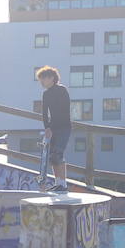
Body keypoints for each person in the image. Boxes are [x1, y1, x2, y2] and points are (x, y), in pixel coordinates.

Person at [36, 66, 71, 194]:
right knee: (52, 157)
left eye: (43, 79)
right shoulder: (46, 94)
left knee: (58, 154)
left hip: (64, 127)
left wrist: (52, 126)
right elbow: (44, 113)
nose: (41, 83)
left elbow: (64, 110)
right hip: (52, 128)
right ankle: (58, 183)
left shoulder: (62, 90)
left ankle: (63, 184)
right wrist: (47, 127)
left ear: (51, 78)